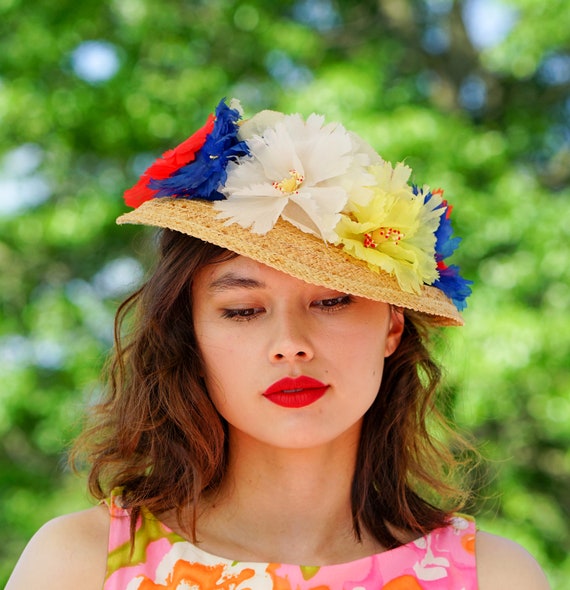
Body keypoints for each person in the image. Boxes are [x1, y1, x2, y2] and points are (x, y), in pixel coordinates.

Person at [6, 98, 550, 590]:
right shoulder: (79, 566)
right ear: (190, 335)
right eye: (243, 310)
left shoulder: (496, 577)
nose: (290, 345)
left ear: (393, 326)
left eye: (333, 301)